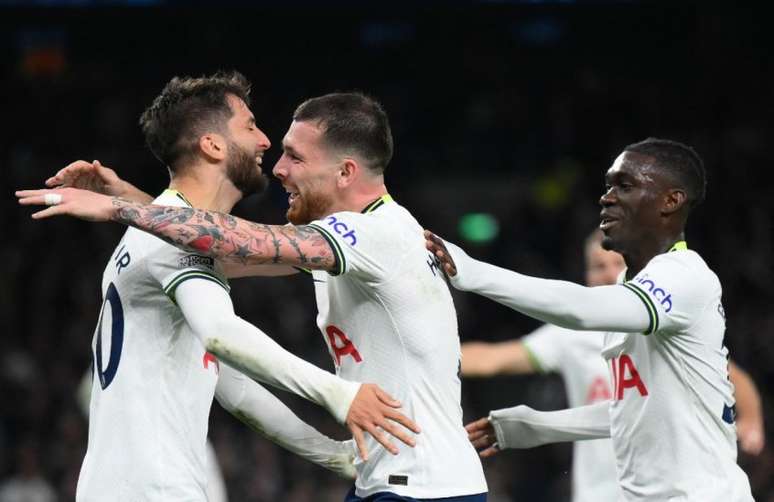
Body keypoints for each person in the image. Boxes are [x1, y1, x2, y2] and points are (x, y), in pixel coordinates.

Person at [17, 92, 487, 501]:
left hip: (420, 482)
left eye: (295, 157)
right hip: (155, 489)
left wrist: (128, 208)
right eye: (252, 126)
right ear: (213, 144)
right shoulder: (170, 239)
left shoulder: (368, 235)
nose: (268, 148)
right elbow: (223, 328)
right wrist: (339, 396)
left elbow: (237, 373)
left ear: (345, 171)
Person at [422, 138, 755, 501]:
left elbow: (580, 308)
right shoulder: (631, 290)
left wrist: (474, 273)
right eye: (609, 185)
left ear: (670, 201)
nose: (607, 197)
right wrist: (536, 426)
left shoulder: (685, 277)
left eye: (625, 186)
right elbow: (635, 411)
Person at [461, 230, 765, 502]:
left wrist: (751, 419)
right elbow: (492, 359)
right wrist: (427, 357)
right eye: (598, 267)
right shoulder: (571, 337)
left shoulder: (668, 320)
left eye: (616, 265)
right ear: (585, 273)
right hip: (605, 492)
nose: (608, 275)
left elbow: (731, 377)